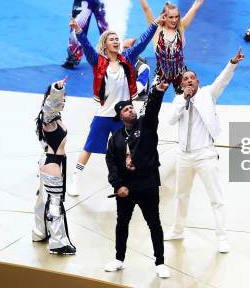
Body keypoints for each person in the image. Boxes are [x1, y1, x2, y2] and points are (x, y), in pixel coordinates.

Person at [67, 18, 159, 197]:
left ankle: (131, 182)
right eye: (112, 39)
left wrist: (155, 25)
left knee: (128, 149)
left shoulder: (128, 58)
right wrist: (78, 30)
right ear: (105, 44)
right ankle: (75, 178)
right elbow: (86, 46)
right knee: (89, 148)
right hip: (103, 115)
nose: (116, 41)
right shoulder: (97, 61)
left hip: (123, 117)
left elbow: (142, 42)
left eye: (117, 39)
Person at [164, 48, 244, 253]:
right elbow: (171, 120)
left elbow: (222, 79)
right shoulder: (179, 100)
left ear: (198, 81)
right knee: (181, 195)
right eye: (185, 79)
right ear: (182, 85)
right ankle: (178, 229)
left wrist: (233, 62)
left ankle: (222, 237)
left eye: (192, 78)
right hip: (184, 155)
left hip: (204, 154)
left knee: (215, 198)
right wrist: (184, 100)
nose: (189, 81)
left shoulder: (209, 93)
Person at [104, 80, 171, 279]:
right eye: (126, 109)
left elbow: (152, 109)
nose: (131, 111)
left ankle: (160, 262)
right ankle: (119, 259)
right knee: (122, 224)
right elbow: (111, 164)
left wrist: (157, 92)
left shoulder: (146, 124)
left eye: (132, 107)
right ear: (120, 116)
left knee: (154, 224)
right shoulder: (115, 138)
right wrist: (118, 185)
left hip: (147, 185)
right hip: (125, 189)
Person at [131, 0, 217, 93]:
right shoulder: (156, 29)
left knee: (189, 100)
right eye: (171, 17)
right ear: (164, 17)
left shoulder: (181, 27)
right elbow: (146, 8)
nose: (174, 20)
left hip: (180, 73)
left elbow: (195, 6)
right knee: (151, 103)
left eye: (176, 17)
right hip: (161, 73)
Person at [31, 78, 76, 255]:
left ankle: (39, 233)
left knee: (43, 201)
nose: (62, 103)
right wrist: (57, 90)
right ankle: (58, 242)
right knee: (55, 203)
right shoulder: (48, 118)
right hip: (52, 163)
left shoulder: (51, 119)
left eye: (65, 100)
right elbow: (51, 106)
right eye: (61, 101)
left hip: (49, 162)